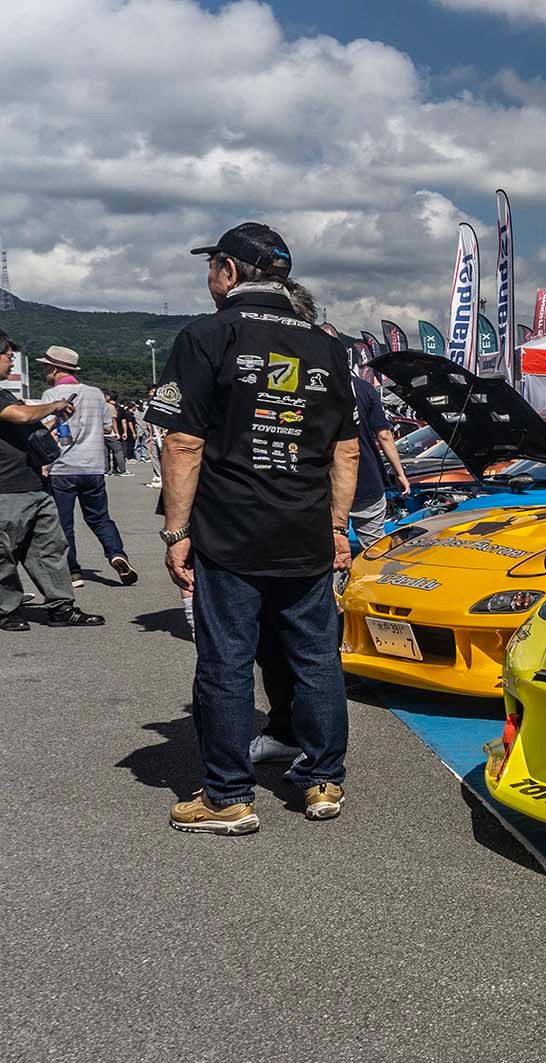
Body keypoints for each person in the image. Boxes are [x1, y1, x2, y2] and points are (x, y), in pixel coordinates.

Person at [147, 222, 359, 834]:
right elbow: (347, 452)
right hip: (306, 532)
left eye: (212, 265)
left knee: (226, 661)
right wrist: (337, 527)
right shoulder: (328, 345)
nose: (209, 276)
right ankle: (323, 779)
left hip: (229, 530)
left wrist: (175, 532)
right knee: (316, 656)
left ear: (231, 272)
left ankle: (227, 796)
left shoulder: (208, 334)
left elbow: (183, 444)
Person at [0, 331, 103, 630]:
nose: (10, 360)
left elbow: (23, 423)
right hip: (6, 488)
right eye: (7, 354)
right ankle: (7, 611)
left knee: (49, 548)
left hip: (32, 483)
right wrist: (54, 406)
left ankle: (61, 606)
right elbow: (19, 416)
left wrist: (53, 419)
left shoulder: (5, 392)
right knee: (4, 554)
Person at [40, 347, 136, 587]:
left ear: (53, 369)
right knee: (100, 517)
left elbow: (43, 430)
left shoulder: (49, 395)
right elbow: (106, 427)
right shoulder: (95, 394)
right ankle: (116, 554)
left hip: (62, 467)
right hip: (93, 466)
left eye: (45, 367)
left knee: (64, 522)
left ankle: (73, 572)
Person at [347, 373, 411, 545]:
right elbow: (384, 435)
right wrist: (399, 473)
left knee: (332, 550)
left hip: (329, 481)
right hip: (366, 478)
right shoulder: (365, 389)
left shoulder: (315, 387)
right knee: (375, 549)